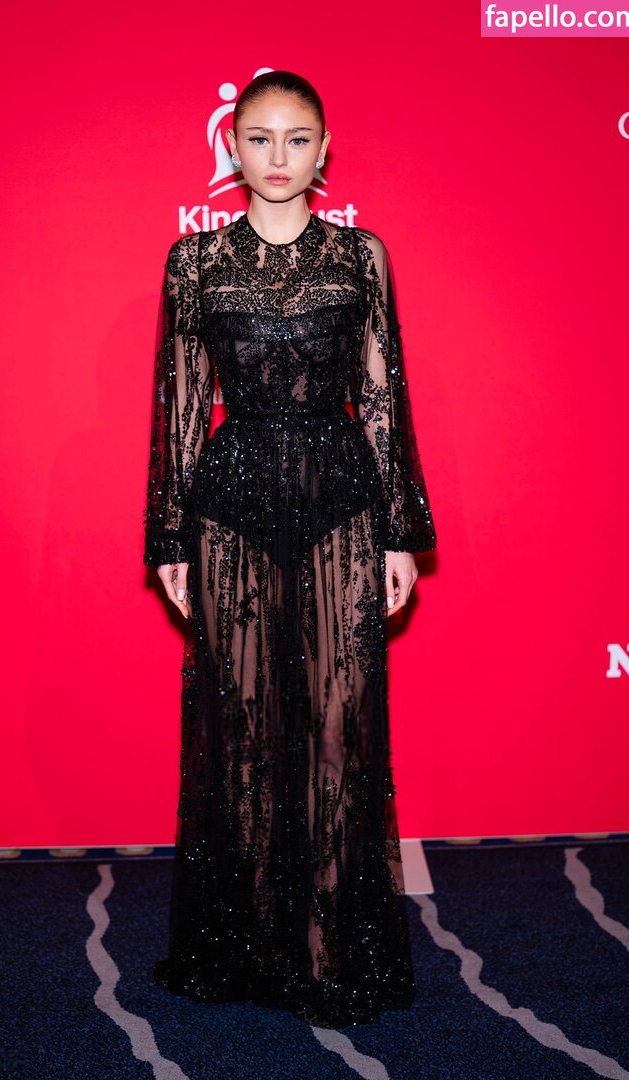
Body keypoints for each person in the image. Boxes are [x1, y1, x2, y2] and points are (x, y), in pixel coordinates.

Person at [143, 69, 437, 1028]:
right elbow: (182, 401)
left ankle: (327, 944)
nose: (278, 157)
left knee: (339, 725)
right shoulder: (194, 261)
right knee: (242, 728)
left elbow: (382, 396)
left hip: (341, 502)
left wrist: (400, 532)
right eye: (260, 138)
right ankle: (249, 943)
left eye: (297, 139)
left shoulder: (361, 255)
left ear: (324, 149)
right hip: (228, 508)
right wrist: (169, 534)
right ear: (231, 146)